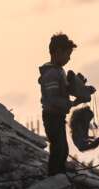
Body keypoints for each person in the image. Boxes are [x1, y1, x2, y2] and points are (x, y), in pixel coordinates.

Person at [38, 33, 92, 176]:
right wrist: (71, 102)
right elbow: (53, 98)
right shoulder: (51, 74)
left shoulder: (59, 71)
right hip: (52, 116)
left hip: (58, 116)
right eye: (67, 54)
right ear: (58, 52)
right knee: (58, 148)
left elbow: (65, 90)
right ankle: (55, 176)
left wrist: (80, 86)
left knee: (63, 148)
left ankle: (59, 174)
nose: (69, 58)